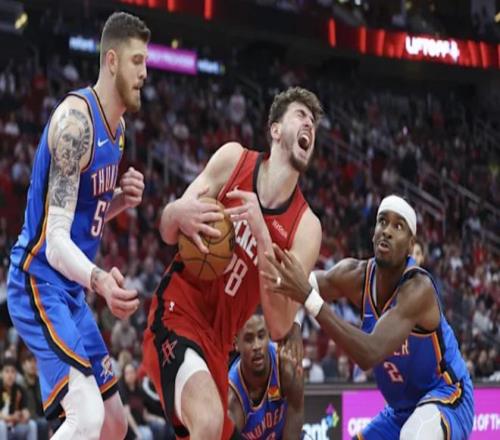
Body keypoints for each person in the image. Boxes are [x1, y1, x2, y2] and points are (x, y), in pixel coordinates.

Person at [142, 87, 323, 439]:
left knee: (211, 427)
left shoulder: (306, 228)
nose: (309, 125)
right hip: (178, 310)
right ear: (275, 129)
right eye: (301, 115)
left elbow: (279, 324)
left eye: (313, 122)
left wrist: (262, 236)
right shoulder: (233, 160)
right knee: (208, 420)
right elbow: (167, 228)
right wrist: (177, 211)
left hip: (221, 346)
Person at [7, 12, 150, 440]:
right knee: (86, 416)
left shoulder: (118, 129)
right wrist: (101, 280)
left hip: (69, 291)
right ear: (111, 61)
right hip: (38, 281)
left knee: (114, 423)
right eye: (137, 61)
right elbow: (54, 241)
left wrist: (121, 199)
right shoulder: (75, 125)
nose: (145, 73)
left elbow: (86, 214)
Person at [263, 195, 474, 440]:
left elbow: (369, 353)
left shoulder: (418, 289)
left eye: (398, 226)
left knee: (415, 434)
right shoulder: (355, 274)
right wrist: (295, 324)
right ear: (373, 234)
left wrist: (308, 298)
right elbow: (300, 284)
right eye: (382, 222)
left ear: (410, 245)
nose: (387, 231)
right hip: (400, 412)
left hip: (448, 396)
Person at [228, 314, 304, 439]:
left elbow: (296, 414)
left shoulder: (286, 367)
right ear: (236, 343)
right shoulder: (233, 398)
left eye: (261, 336)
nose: (257, 346)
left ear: (269, 335)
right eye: (249, 339)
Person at [0, 357, 36, 440]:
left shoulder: (19, 389)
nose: (10, 375)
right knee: (1, 426)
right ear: (1, 373)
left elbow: (26, 410)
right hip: (3, 425)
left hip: (14, 426)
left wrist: (24, 415)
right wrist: (11, 417)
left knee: (32, 424)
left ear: (16, 374)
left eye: (13, 371)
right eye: (7, 371)